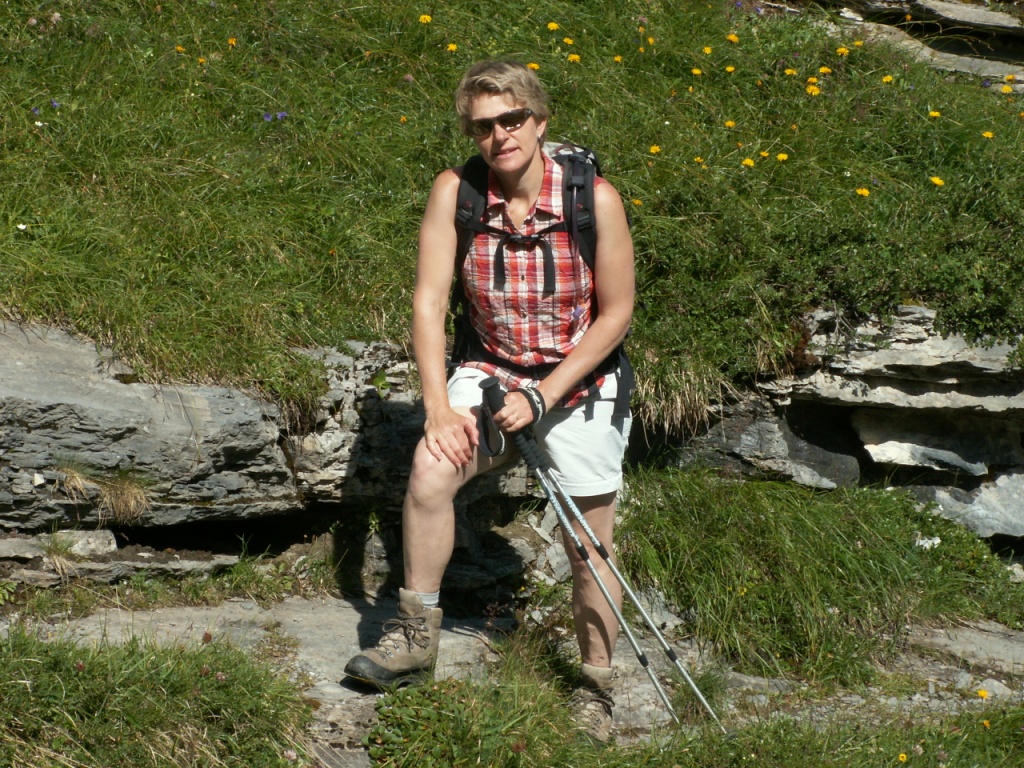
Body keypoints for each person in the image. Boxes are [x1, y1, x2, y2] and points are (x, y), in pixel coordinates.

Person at [344, 59, 635, 742]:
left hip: (580, 380)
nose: (500, 135)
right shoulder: (457, 193)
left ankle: (595, 687)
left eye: (512, 119)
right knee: (430, 471)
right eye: (483, 126)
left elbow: (617, 314)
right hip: (490, 367)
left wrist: (544, 395)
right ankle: (414, 640)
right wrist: (438, 407)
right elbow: (428, 302)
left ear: (540, 121)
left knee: (589, 545)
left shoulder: (595, 200)